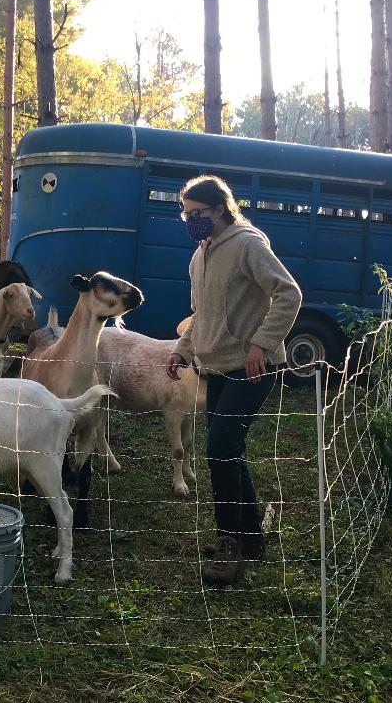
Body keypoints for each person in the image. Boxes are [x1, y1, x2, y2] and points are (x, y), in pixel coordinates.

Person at [166, 175, 301, 585]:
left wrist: (262, 342)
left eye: (197, 214)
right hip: (216, 368)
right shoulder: (199, 255)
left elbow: (288, 293)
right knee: (229, 451)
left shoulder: (247, 244)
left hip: (252, 368)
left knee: (220, 448)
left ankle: (230, 543)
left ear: (220, 210)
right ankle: (251, 537)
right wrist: (182, 350)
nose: (190, 221)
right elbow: (200, 314)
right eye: (185, 214)